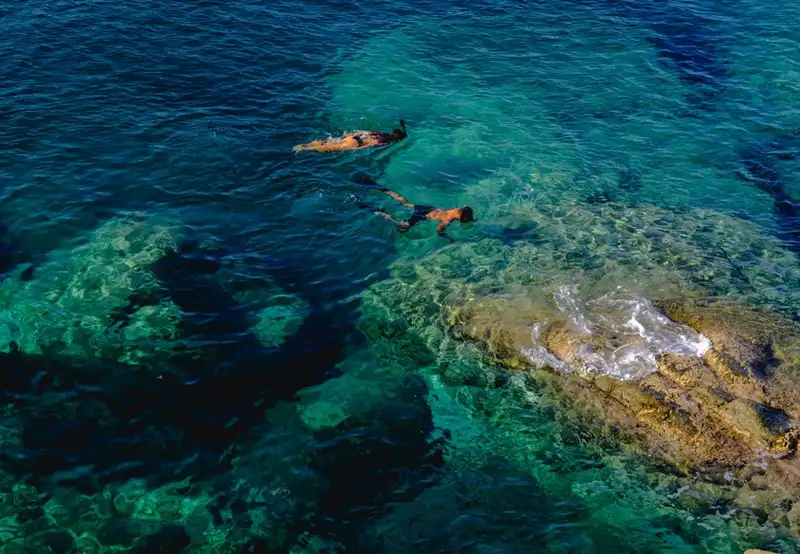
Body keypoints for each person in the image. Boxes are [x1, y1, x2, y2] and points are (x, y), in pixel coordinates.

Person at [356, 179, 474, 243]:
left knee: (403, 202)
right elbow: (438, 230)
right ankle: (372, 209)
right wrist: (448, 238)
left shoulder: (459, 209)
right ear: (464, 217)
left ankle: (378, 187)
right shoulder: (448, 220)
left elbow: (466, 209)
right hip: (424, 215)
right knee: (403, 225)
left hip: (428, 208)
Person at [293, 120, 407, 152]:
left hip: (353, 138)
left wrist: (351, 134)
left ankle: (306, 144)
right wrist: (356, 149)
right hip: (356, 143)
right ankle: (304, 148)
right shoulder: (386, 141)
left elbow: (364, 132)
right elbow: (372, 143)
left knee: (328, 142)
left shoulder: (382, 133)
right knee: (328, 148)